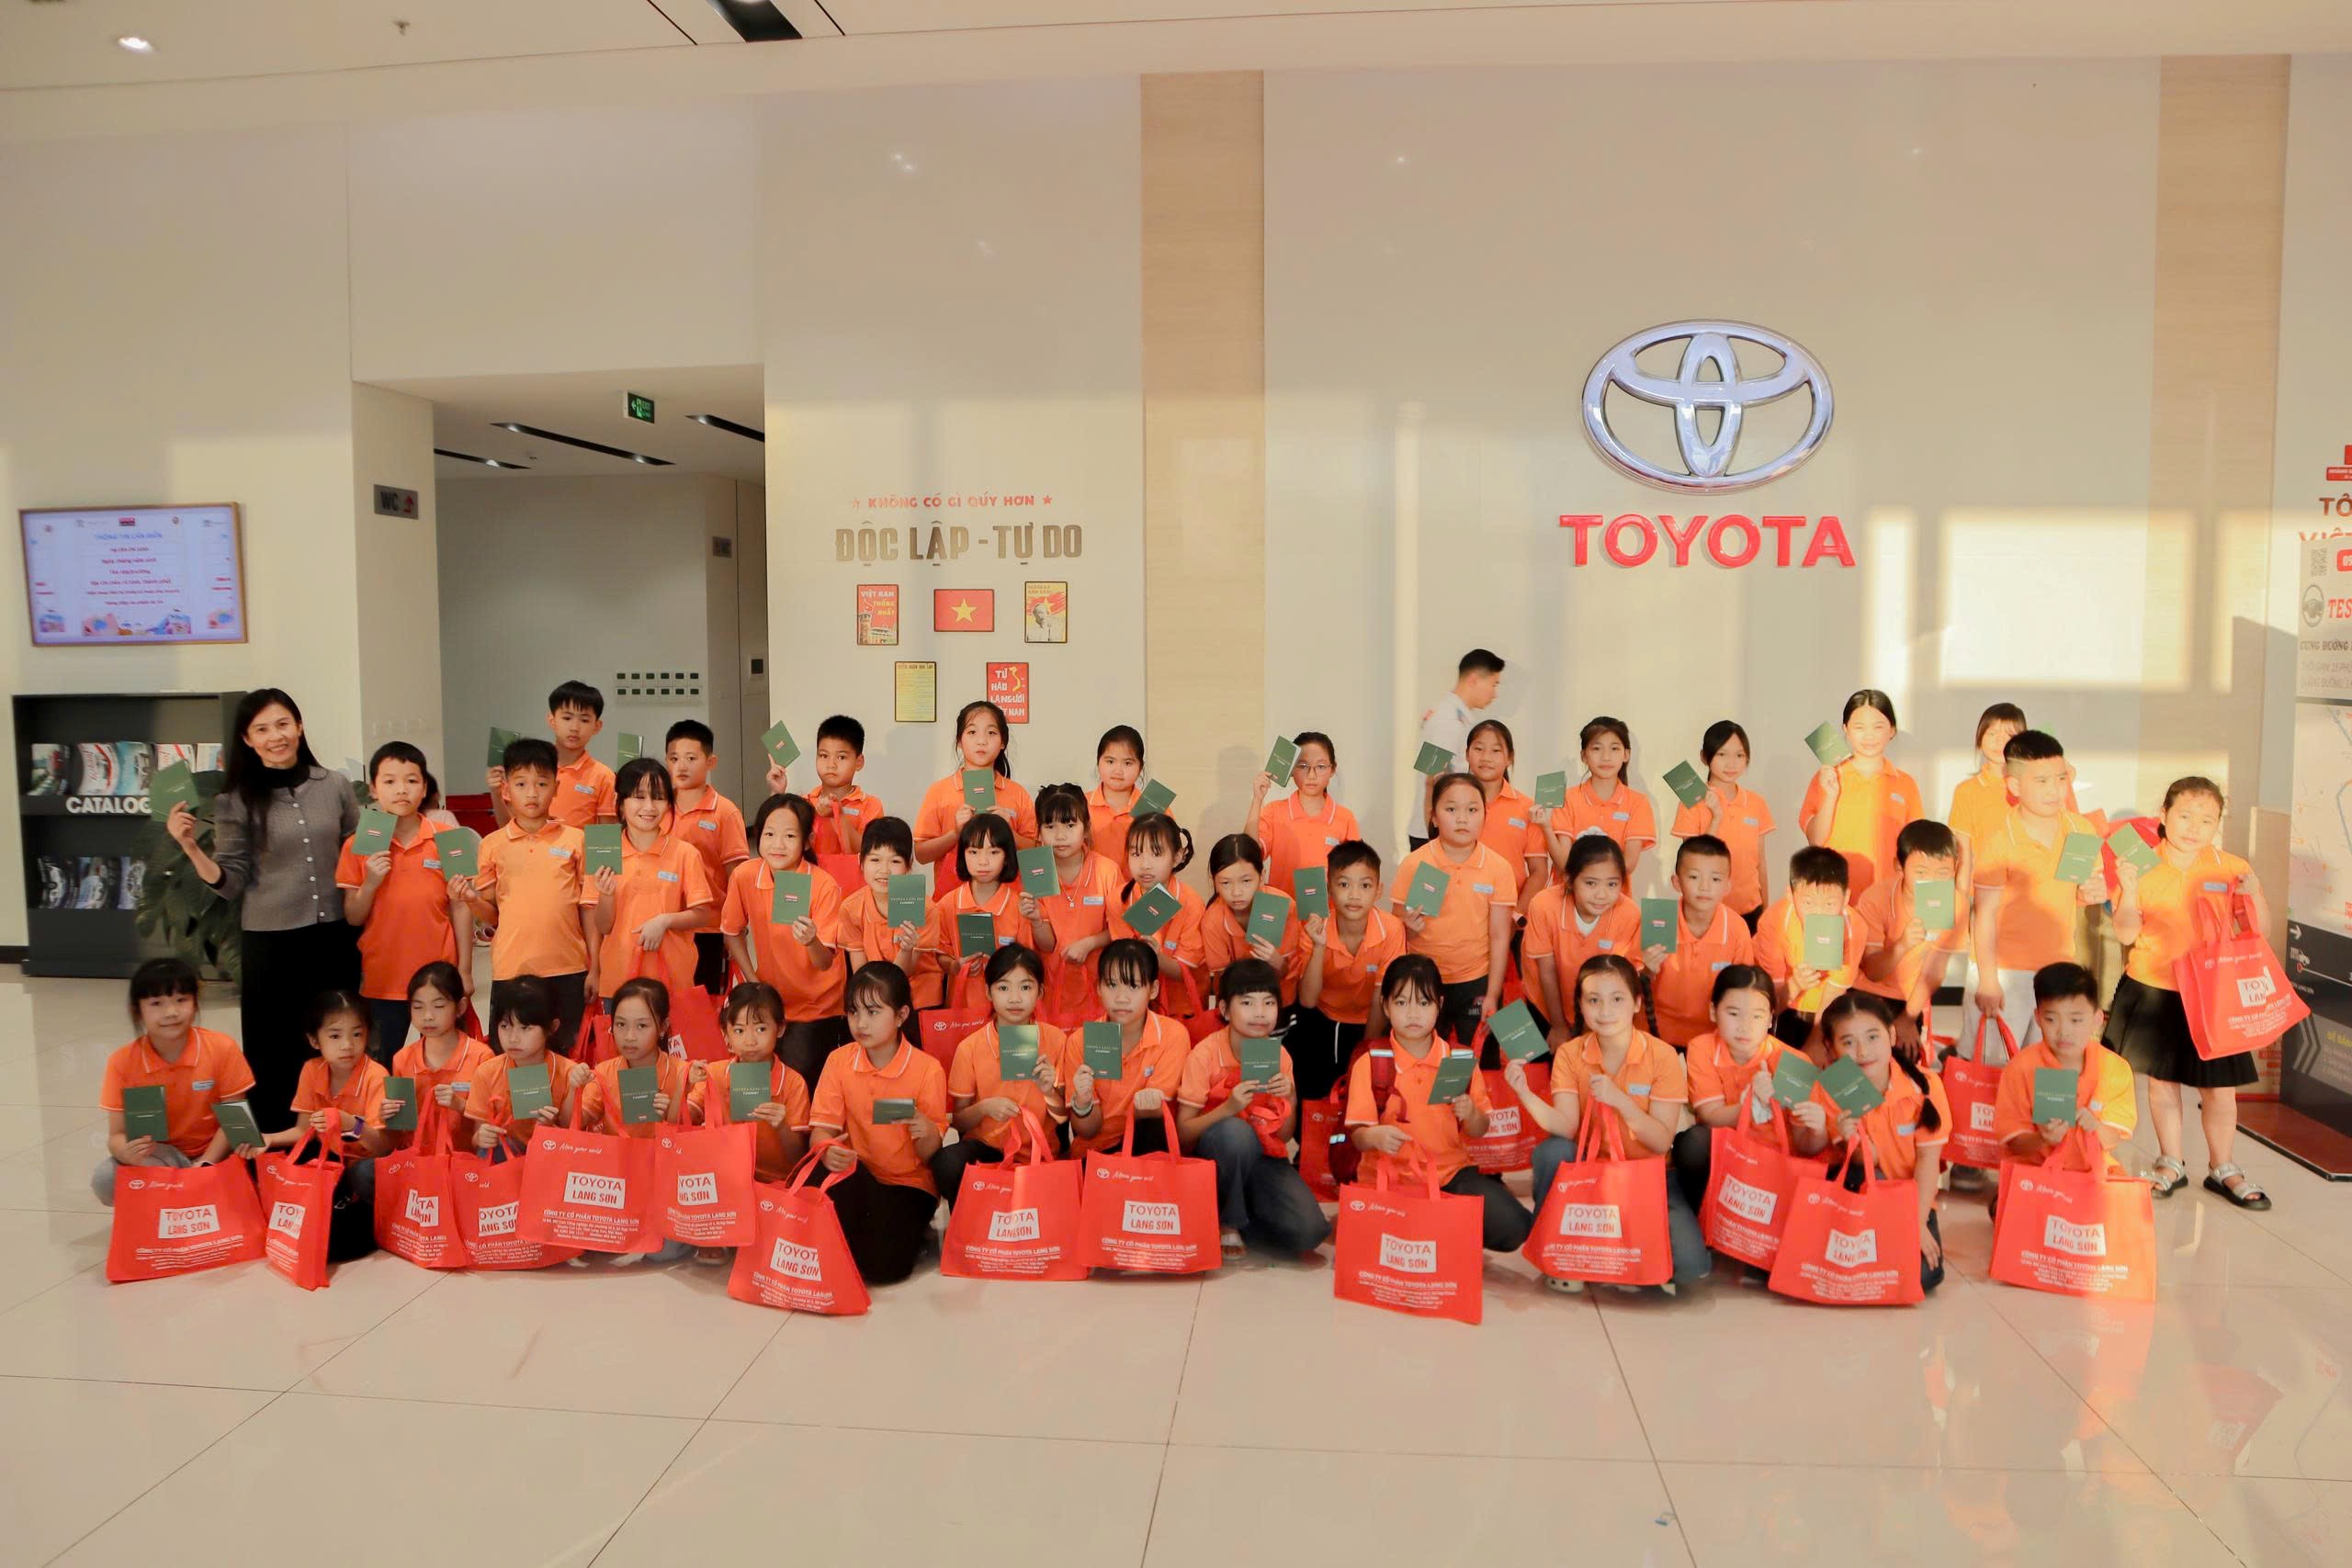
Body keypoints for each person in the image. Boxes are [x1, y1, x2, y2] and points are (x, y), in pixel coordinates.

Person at [164, 687, 361, 1130]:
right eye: (263, 729)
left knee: (339, 1040)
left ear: (299, 727)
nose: (276, 736)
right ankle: (278, 1143)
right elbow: (230, 882)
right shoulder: (235, 800)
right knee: (276, 1048)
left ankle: (340, 1137)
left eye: (283, 724)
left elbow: (357, 851)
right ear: (247, 739)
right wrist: (191, 847)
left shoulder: (333, 785)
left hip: (333, 937)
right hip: (272, 943)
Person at [2106, 776, 2272, 1208]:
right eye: (2184, 816)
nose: (2194, 828)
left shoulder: (2230, 867)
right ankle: (2170, 1162)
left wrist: (2255, 894)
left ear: (2218, 824)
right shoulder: (2140, 863)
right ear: (2163, 815)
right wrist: (2130, 890)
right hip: (2154, 988)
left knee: (2219, 1089)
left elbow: (2259, 932)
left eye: (2206, 819)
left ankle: (2223, 1168)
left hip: (2213, 994)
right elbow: (2125, 932)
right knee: (2162, 1083)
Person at [1519, 953, 1709, 1293]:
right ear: (1580, 1005)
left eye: (1617, 999)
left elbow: (1660, 1141)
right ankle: (1558, 1252)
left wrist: (1622, 1102)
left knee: (1690, 1267)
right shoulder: (1570, 1053)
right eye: (1593, 1000)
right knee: (1552, 1152)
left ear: (1636, 1003)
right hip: (1591, 1174)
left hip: (1649, 1176)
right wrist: (1524, 1093)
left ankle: (1618, 1254)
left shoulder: (1662, 1055)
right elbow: (1565, 1126)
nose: (1605, 1011)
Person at [1348, 954, 1533, 1253]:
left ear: (1439, 1005)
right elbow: (1357, 1136)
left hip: (1449, 1176)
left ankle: (1436, 1227)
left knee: (1515, 1226)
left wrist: (1471, 1113)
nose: (1413, 1013)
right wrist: (1373, 1136)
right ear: (1385, 1006)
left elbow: (1479, 1128)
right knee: (1371, 1244)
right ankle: (1433, 1229)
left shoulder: (1458, 1059)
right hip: (1389, 1178)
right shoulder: (1371, 1062)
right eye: (1401, 1002)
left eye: (1424, 1003)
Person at [1792, 990, 1951, 1293]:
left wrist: (1916, 1223)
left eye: (1873, 1037)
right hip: (1859, 1191)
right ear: (1830, 1048)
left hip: (1911, 1198)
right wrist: (1847, 1139)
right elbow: (1864, 1164)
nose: (1863, 1051)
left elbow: (1929, 1163)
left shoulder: (1927, 1085)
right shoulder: (1832, 1088)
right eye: (1848, 1042)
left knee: (1922, 1277)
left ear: (1892, 1035)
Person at [452, 738, 599, 1055]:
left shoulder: (576, 840)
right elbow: (492, 915)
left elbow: (588, 910)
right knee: (514, 1057)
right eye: (521, 784)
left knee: (566, 1056)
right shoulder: (492, 845)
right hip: (512, 969)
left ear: (556, 788)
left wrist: (595, 967)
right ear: (506, 790)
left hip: (568, 967)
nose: (532, 793)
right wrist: (471, 899)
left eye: (542, 784)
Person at [808, 962, 949, 1285]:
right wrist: (826, 1149)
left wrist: (926, 1129)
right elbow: (821, 1130)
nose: (861, 1023)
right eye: (853, 1012)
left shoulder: (927, 1069)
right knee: (815, 1173)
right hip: (860, 1174)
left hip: (909, 1185)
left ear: (901, 1015)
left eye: (873, 1012)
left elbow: (930, 1154)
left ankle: (891, 1237)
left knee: (886, 1270)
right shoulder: (839, 1061)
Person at [1177, 959, 1328, 1258]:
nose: (1260, 1012)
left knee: (1310, 1232)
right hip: (1215, 1157)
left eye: (1268, 1003)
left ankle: (1244, 1214)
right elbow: (1183, 1134)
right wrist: (1228, 1108)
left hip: (1263, 1156)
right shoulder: (1205, 1054)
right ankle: (1228, 1222)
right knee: (1235, 1133)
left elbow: (1283, 1137)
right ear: (1224, 1009)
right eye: (1247, 1003)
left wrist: (1290, 1098)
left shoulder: (1280, 1056)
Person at [1967, 729, 2107, 1054]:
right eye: (2042, 781)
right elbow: (1984, 914)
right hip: (2005, 972)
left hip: (2059, 968)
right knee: (1997, 1067)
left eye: (2060, 779)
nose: (2055, 790)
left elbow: (2081, 893)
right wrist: (1988, 980)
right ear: (2015, 786)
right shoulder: (1999, 839)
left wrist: (2094, 892)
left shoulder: (2081, 829)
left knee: (2050, 1066)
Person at [337, 741, 471, 1059]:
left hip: (440, 976)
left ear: (424, 788)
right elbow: (353, 916)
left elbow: (461, 906)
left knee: (445, 1060)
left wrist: (465, 970)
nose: (401, 790)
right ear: (373, 789)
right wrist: (370, 883)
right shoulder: (358, 844)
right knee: (382, 1063)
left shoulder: (449, 837)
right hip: (383, 978)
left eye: (411, 781)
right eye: (389, 781)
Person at [93, 957, 263, 1203]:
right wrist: (127, 1153)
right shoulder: (123, 1062)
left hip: (216, 1153)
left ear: (195, 1002)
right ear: (137, 1010)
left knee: (246, 1180)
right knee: (106, 1180)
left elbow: (235, 1121)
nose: (171, 1012)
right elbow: (116, 1135)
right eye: (156, 1003)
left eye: (181, 1000)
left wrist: (204, 1164)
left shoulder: (221, 1048)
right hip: (160, 1156)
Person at [721, 794, 848, 1086]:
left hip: (816, 1006)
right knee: (763, 1081)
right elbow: (731, 931)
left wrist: (811, 940)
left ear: (807, 841)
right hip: (770, 1001)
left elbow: (825, 962)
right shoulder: (745, 875)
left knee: (799, 1083)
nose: (777, 844)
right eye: (769, 834)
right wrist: (753, 981)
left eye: (789, 836)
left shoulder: (823, 885)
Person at [932, 943, 1069, 1202]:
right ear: (988, 992)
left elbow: (1063, 1119)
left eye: (1025, 987)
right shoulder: (970, 1048)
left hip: (1041, 1149)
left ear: (1040, 991)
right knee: (948, 1163)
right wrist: (984, 1108)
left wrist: (1049, 1091)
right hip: (989, 1148)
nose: (1015, 998)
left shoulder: (1056, 1040)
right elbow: (959, 1122)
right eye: (1003, 988)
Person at [577, 977, 697, 1264]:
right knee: (591, 1244)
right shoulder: (604, 1072)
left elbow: (694, 1142)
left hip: (665, 1183)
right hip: (619, 1182)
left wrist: (671, 1114)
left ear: (663, 1027)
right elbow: (577, 1121)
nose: (629, 1036)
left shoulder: (684, 1073)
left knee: (665, 1252)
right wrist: (573, 1089)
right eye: (620, 1025)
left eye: (642, 1026)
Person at [1392, 773, 1519, 1044]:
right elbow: (1396, 932)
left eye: (1472, 810)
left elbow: (1499, 936)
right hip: (1423, 978)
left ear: (1484, 815)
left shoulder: (1498, 868)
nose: (1462, 819)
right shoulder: (1414, 864)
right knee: (1424, 1055)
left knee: (1479, 1057)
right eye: (1451, 809)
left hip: (1476, 979)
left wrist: (1493, 994)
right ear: (1434, 817)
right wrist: (1408, 928)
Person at [1993, 963, 2135, 1188]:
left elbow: (2113, 1139)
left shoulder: (2114, 1069)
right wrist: (2041, 1139)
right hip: (2034, 1175)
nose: (2063, 1031)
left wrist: (2095, 1127)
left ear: (2098, 1019)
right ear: (2037, 1018)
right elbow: (2014, 1143)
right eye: (2051, 1019)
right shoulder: (2021, 1068)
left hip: (2091, 1173)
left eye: (2076, 1020)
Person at [588, 757, 718, 1006]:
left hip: (673, 980)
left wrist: (665, 921)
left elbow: (703, 915)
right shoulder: (604, 849)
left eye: (658, 797)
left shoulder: (685, 853)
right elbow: (603, 926)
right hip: (619, 981)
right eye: (639, 797)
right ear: (620, 803)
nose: (649, 806)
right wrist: (606, 895)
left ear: (669, 803)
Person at [1672, 964, 1792, 1221]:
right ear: (1713, 1011)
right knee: (1693, 1142)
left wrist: (1816, 1127)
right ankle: (1702, 1220)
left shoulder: (1792, 1061)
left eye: (1757, 1016)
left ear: (1771, 1018)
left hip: (1772, 1163)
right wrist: (1750, 1105)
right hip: (1726, 1154)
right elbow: (1710, 1116)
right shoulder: (1702, 1048)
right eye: (1734, 1013)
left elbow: (1805, 1141)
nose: (1745, 1026)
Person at [1294, 840, 1406, 1101]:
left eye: (1365, 886)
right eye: (1344, 884)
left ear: (1378, 891)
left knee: (1362, 1089)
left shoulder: (1391, 929)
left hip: (1368, 1019)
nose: (1354, 895)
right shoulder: (1314, 927)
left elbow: (1381, 998)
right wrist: (1319, 946)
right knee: (1316, 1094)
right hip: (1323, 1015)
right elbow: (1308, 1000)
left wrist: (1366, 1052)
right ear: (1329, 888)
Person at [262, 989, 390, 1212]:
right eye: (335, 1036)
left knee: (365, 1173)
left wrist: (351, 1124)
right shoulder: (312, 1070)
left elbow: (383, 1147)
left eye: (357, 1034)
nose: (347, 1045)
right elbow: (303, 1130)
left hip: (365, 1163)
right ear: (314, 1040)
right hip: (331, 1160)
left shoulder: (376, 1076)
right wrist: (268, 1140)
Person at [1068, 938, 1193, 1156]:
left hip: (1145, 1143)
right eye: (1112, 985)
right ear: (1098, 988)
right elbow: (1087, 1131)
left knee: (1152, 1129)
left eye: (1133, 986)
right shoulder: (1080, 1041)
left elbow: (1153, 1117)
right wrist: (1083, 1102)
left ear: (1153, 989)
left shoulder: (1173, 1035)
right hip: (1097, 1153)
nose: (1121, 998)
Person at [1852, 820, 1967, 1049]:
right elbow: (1872, 972)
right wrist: (1902, 945)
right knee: (1866, 1050)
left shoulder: (1955, 904)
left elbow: (1937, 970)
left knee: (1911, 1054)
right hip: (1868, 993)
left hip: (1914, 1000)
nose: (1932, 881)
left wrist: (1907, 1020)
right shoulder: (1876, 899)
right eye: (1921, 872)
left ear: (1955, 868)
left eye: (1943, 872)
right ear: (1899, 866)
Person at [1800, 689, 1922, 899]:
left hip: (1887, 897)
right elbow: (1815, 840)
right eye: (1859, 727)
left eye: (1878, 727)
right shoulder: (1827, 778)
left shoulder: (1905, 784)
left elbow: (1916, 849)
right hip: (1835, 896)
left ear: (1892, 730)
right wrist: (1830, 796)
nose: (1869, 736)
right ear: (1845, 730)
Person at [1024, 782, 1124, 1023]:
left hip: (1102, 991)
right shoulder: (1035, 872)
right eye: (1050, 826)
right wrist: (1036, 920)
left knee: (1097, 1046)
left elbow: (1121, 929)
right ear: (1039, 832)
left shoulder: (1107, 870)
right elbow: (1047, 945)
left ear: (1086, 828)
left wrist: (1090, 943)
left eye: (1070, 825)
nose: (1060, 836)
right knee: (1054, 1044)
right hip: (1052, 991)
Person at [1643, 834, 1756, 1046]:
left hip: (1713, 1036)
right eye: (1694, 877)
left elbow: (1744, 991)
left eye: (1715, 879)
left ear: (1727, 886)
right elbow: (1630, 987)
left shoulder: (1736, 928)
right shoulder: (1658, 919)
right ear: (1677, 882)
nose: (1705, 887)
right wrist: (1646, 971)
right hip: (1655, 1032)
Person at [663, 719, 751, 992]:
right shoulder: (658, 807)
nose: (682, 766)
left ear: (710, 762)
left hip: (710, 927)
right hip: (666, 922)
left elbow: (737, 875)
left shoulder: (724, 811)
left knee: (705, 1001)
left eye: (691, 758)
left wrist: (735, 923)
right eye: (674, 758)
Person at [914, 700, 1036, 895]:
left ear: (1003, 742)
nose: (981, 741)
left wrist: (1010, 833)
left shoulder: (1017, 793)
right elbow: (921, 855)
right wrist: (955, 833)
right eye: (972, 732)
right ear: (959, 741)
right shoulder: (939, 791)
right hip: (952, 901)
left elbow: (1036, 852)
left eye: (991, 733)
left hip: (1007, 901)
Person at [695, 981, 810, 1187]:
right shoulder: (714, 1074)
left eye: (761, 1029)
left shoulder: (794, 1083)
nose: (750, 1041)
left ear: (780, 1028)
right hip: (724, 1178)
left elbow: (798, 1160)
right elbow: (685, 1117)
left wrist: (782, 1127)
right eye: (739, 1031)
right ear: (725, 1034)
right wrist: (684, 1081)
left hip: (778, 1184)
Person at [1524, 836, 1637, 1044]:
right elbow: (1546, 971)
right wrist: (1558, 1026)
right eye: (1591, 883)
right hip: (1547, 1004)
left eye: (1612, 884)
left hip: (1596, 1010)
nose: (1602, 894)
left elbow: (1616, 978)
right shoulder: (1543, 905)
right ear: (1569, 879)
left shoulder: (1629, 913)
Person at [1756, 845, 1868, 1054]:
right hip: (1786, 1008)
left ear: (1845, 899)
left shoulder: (1854, 927)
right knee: (1784, 1064)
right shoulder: (1773, 923)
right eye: (1808, 903)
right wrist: (1796, 984)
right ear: (1790, 895)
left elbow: (1836, 990)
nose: (1819, 913)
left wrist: (1817, 1041)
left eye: (1829, 904)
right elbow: (1770, 1004)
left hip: (1830, 1010)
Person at [1670, 719, 1775, 931]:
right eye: (1722, 754)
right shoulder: (1692, 802)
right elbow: (1694, 861)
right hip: (1707, 913)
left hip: (1750, 911)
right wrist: (1716, 817)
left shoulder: (1756, 803)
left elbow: (1760, 862)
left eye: (1739, 755)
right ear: (1704, 757)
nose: (1731, 764)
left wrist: (1766, 910)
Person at [1108, 812, 1208, 1018]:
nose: (1145, 864)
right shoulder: (1118, 899)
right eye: (1136, 854)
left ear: (1177, 857)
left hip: (1182, 1010)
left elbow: (1185, 972)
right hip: (1136, 1009)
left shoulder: (1191, 903)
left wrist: (1157, 956)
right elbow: (1124, 962)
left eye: (1156, 854)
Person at [462, 978, 582, 1149]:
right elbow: (477, 1139)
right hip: (505, 1158)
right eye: (505, 1026)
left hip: (552, 1155)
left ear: (552, 1027)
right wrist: (482, 1138)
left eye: (525, 1028)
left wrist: (550, 1127)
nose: (513, 1038)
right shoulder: (486, 1072)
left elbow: (575, 1138)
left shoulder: (569, 1073)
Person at [923, 814, 1027, 1008]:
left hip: (1008, 1009)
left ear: (1007, 857)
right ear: (962, 855)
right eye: (973, 852)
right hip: (960, 1010)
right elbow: (940, 954)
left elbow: (1027, 960)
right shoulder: (947, 904)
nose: (983, 861)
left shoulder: (1019, 906)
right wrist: (955, 966)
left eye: (993, 852)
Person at [388, 961, 493, 1149]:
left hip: (467, 1158)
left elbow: (492, 1118)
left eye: (438, 1006)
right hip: (416, 1159)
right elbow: (401, 1130)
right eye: (418, 1007)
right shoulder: (402, 1059)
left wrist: (460, 1105)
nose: (428, 1016)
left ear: (460, 1007)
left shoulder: (481, 1057)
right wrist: (388, 1116)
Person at [1246, 731, 1363, 895]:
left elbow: (1356, 872)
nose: (1311, 775)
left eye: (1320, 766)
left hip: (1328, 910)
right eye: (1303, 766)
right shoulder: (1274, 811)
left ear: (1332, 769)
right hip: (1283, 909)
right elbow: (1248, 856)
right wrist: (1257, 800)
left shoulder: (1345, 818)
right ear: (1291, 769)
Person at [489, 679, 615, 830]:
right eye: (567, 718)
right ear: (552, 720)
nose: (574, 727)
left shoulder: (603, 776)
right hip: (529, 845)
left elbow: (606, 837)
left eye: (584, 720)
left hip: (578, 846)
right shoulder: (526, 768)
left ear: (597, 726)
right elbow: (507, 827)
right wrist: (496, 793)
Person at [841, 817, 939, 1009]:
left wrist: (906, 949)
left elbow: (905, 973)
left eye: (895, 861)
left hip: (919, 999)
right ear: (861, 862)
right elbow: (860, 972)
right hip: (873, 997)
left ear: (909, 864)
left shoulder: (926, 908)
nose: (884, 870)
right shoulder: (850, 908)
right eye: (875, 860)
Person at [1545, 716, 1657, 882]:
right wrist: (1545, 826)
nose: (1606, 757)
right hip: (1568, 896)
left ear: (1626, 754)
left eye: (1614, 749)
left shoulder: (1638, 803)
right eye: (1597, 748)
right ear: (1584, 755)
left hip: (1613, 897)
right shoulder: (1567, 798)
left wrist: (1593, 881)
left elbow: (1628, 864)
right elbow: (1563, 863)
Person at [1414, 649, 1505, 847]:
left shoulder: (1454, 716)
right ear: (1474, 680)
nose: (1495, 694)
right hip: (1434, 832)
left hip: (1442, 826)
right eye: (1493, 684)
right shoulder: (1447, 721)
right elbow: (1433, 776)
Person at [1200, 834, 1305, 1004]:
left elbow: (1288, 972)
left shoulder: (1285, 907)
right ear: (1214, 882)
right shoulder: (1212, 920)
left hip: (1281, 1000)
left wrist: (1277, 962)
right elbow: (1222, 981)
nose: (1236, 892)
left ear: (1262, 876)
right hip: (1239, 1002)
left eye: (1246, 881)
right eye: (1225, 883)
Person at [1462, 719, 1549, 908]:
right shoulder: (1453, 802)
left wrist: (1516, 916)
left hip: (1508, 910)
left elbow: (1539, 872)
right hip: (1460, 911)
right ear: (1467, 754)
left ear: (1510, 758)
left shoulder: (1527, 808)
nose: (1486, 757)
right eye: (1479, 749)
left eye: (1496, 750)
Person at [805, 716, 888, 859]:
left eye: (841, 757)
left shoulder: (870, 805)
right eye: (824, 756)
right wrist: (777, 793)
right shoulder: (804, 802)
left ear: (858, 762)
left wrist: (838, 816)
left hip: (852, 874)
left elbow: (870, 853)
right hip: (811, 873)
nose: (831, 765)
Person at [1088, 725, 1147, 864]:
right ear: (1098, 762)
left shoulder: (1154, 807)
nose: (1118, 770)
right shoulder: (1079, 804)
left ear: (1140, 768)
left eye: (1127, 763)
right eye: (1110, 761)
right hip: (1091, 879)